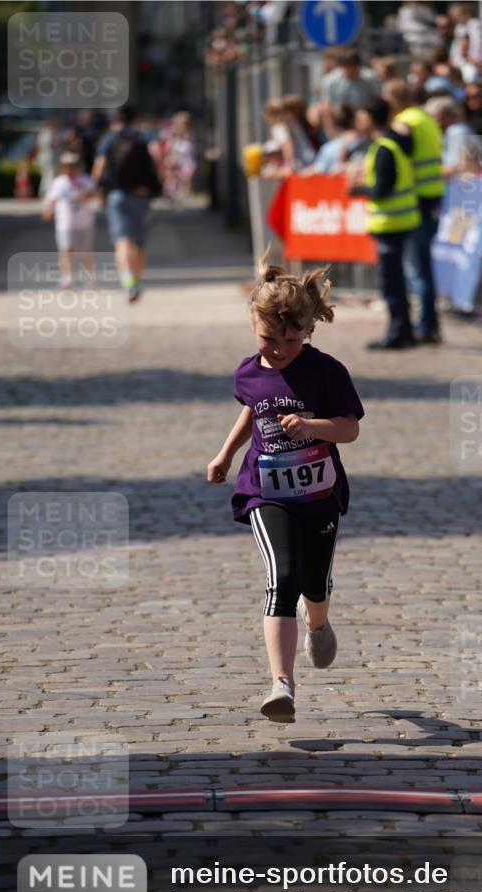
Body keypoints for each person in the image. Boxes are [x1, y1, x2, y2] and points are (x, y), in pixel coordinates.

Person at [207, 252, 364, 723]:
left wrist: (313, 426)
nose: (278, 349)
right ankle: (282, 685)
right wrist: (226, 454)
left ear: (309, 331)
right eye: (269, 339)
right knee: (283, 578)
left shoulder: (327, 372)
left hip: (319, 495)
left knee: (314, 583)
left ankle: (318, 621)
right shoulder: (247, 371)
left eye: (291, 341)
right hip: (265, 489)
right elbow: (251, 411)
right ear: (253, 326)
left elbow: (349, 429)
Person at [349, 97, 420, 349]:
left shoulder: (383, 147)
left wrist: (358, 189)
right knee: (398, 281)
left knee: (392, 283)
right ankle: (405, 331)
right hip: (399, 221)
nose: (357, 122)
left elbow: (381, 190)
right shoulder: (391, 143)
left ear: (370, 118)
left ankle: (397, 333)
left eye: (360, 117)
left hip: (391, 223)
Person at [386, 80, 445, 343]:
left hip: (418, 198)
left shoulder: (405, 121)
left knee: (416, 268)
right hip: (432, 196)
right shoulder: (426, 118)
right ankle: (429, 324)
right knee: (423, 265)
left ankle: (425, 327)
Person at [92, 106, 161, 303]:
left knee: (122, 241)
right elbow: (157, 158)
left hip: (117, 195)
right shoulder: (144, 136)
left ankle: (128, 282)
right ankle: (137, 282)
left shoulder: (109, 139)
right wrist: (157, 182)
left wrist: (97, 189)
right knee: (139, 244)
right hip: (142, 195)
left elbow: (99, 168)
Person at [42, 152, 96, 288]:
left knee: (85, 251)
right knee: (66, 250)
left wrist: (86, 195)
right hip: (65, 222)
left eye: (72, 166)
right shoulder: (59, 182)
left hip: (83, 222)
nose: (69, 170)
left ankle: (89, 277)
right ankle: (67, 278)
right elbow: (51, 199)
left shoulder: (85, 180)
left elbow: (95, 193)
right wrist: (48, 210)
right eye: (66, 167)